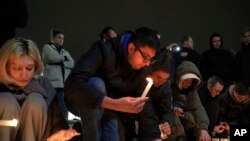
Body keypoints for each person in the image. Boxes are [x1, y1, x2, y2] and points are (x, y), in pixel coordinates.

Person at [64, 27, 160, 141]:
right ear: (131, 48)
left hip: (111, 111)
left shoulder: (143, 69)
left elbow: (145, 105)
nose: (148, 64)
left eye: (151, 59)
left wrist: (154, 136)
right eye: (145, 57)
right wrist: (114, 104)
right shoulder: (104, 49)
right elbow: (72, 83)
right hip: (82, 101)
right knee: (96, 84)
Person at [0, 38, 79, 141]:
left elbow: (57, 122)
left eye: (29, 68)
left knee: (36, 99)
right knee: (6, 100)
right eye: (17, 68)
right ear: (5, 66)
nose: (24, 75)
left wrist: (59, 135)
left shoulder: (44, 86)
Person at [137, 49, 183, 141]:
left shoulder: (165, 87)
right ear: (152, 70)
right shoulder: (141, 79)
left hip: (155, 120)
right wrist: (155, 131)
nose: (160, 81)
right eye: (158, 76)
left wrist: (166, 123)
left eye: (164, 79)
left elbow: (166, 110)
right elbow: (146, 111)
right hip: (141, 117)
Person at [171, 61, 211, 141]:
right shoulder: (169, 88)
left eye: (191, 81)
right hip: (172, 124)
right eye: (186, 80)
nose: (188, 83)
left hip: (186, 122)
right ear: (179, 79)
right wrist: (173, 110)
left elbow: (198, 108)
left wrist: (203, 128)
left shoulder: (192, 92)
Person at [42, 29, 75, 119]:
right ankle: (61, 119)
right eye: (59, 37)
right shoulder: (47, 47)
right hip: (51, 81)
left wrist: (60, 62)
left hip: (62, 82)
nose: (61, 40)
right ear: (53, 38)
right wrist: (64, 59)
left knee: (60, 102)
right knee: (53, 101)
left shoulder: (64, 51)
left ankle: (61, 119)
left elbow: (72, 63)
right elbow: (52, 58)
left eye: (62, 38)